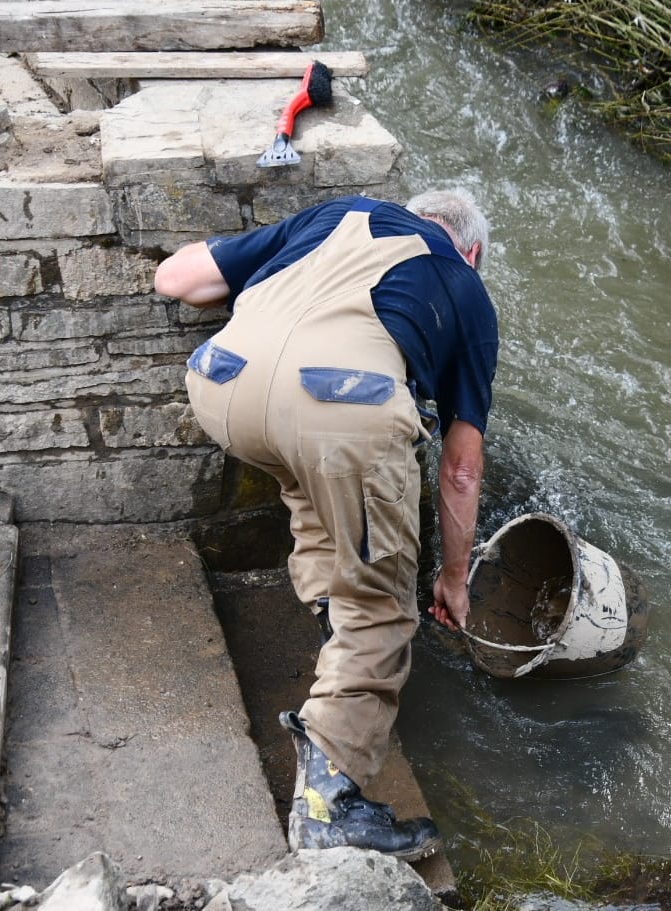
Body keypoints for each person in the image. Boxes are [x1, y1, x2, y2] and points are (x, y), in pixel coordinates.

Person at [154, 189, 497, 862]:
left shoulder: (335, 215)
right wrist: (453, 577)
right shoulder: (465, 287)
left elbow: (178, 278)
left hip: (223, 388)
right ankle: (329, 802)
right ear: (473, 252)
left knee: (315, 484)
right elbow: (460, 468)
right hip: (338, 410)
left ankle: (329, 624)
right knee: (381, 603)